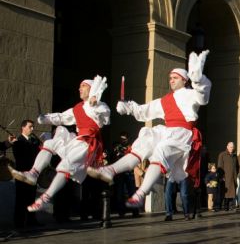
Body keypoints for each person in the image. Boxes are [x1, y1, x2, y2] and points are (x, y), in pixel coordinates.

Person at [87, 51, 211, 209]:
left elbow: (203, 96)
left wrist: (199, 80)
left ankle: (140, 194)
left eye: (175, 78)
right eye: (170, 78)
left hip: (182, 133)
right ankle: (110, 170)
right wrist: (128, 107)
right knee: (144, 141)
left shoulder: (190, 94)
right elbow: (143, 111)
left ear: (184, 80)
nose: (171, 80)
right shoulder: (165, 100)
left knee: (161, 150)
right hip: (167, 130)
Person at [10, 76, 110, 212]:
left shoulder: (100, 105)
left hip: (88, 144)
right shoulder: (77, 108)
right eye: (80, 86)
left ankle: (45, 198)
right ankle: (33, 173)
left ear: (92, 89)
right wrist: (45, 118)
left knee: (64, 166)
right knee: (51, 143)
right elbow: (62, 117)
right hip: (77, 141)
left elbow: (106, 116)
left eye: (83, 86)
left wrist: (96, 102)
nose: (79, 88)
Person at [9, 120, 41, 228]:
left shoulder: (34, 141)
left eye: (33, 127)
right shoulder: (18, 141)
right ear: (23, 128)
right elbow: (19, 157)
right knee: (21, 200)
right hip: (22, 174)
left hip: (33, 174)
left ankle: (32, 220)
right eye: (30, 127)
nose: (32, 129)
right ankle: (19, 223)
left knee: (31, 198)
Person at [111, 131, 138, 217]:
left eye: (125, 139)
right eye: (122, 139)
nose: (123, 140)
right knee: (120, 193)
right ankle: (121, 212)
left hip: (129, 172)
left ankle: (135, 211)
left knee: (132, 192)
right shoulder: (116, 146)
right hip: (119, 172)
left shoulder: (131, 146)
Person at [217, 142, 238, 211]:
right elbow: (220, 166)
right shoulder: (222, 154)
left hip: (233, 176)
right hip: (226, 176)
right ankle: (225, 206)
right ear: (227, 146)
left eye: (233, 147)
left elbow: (237, 166)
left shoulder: (235, 156)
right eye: (231, 147)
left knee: (232, 191)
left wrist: (236, 174)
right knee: (226, 192)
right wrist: (222, 176)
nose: (232, 148)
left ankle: (231, 205)